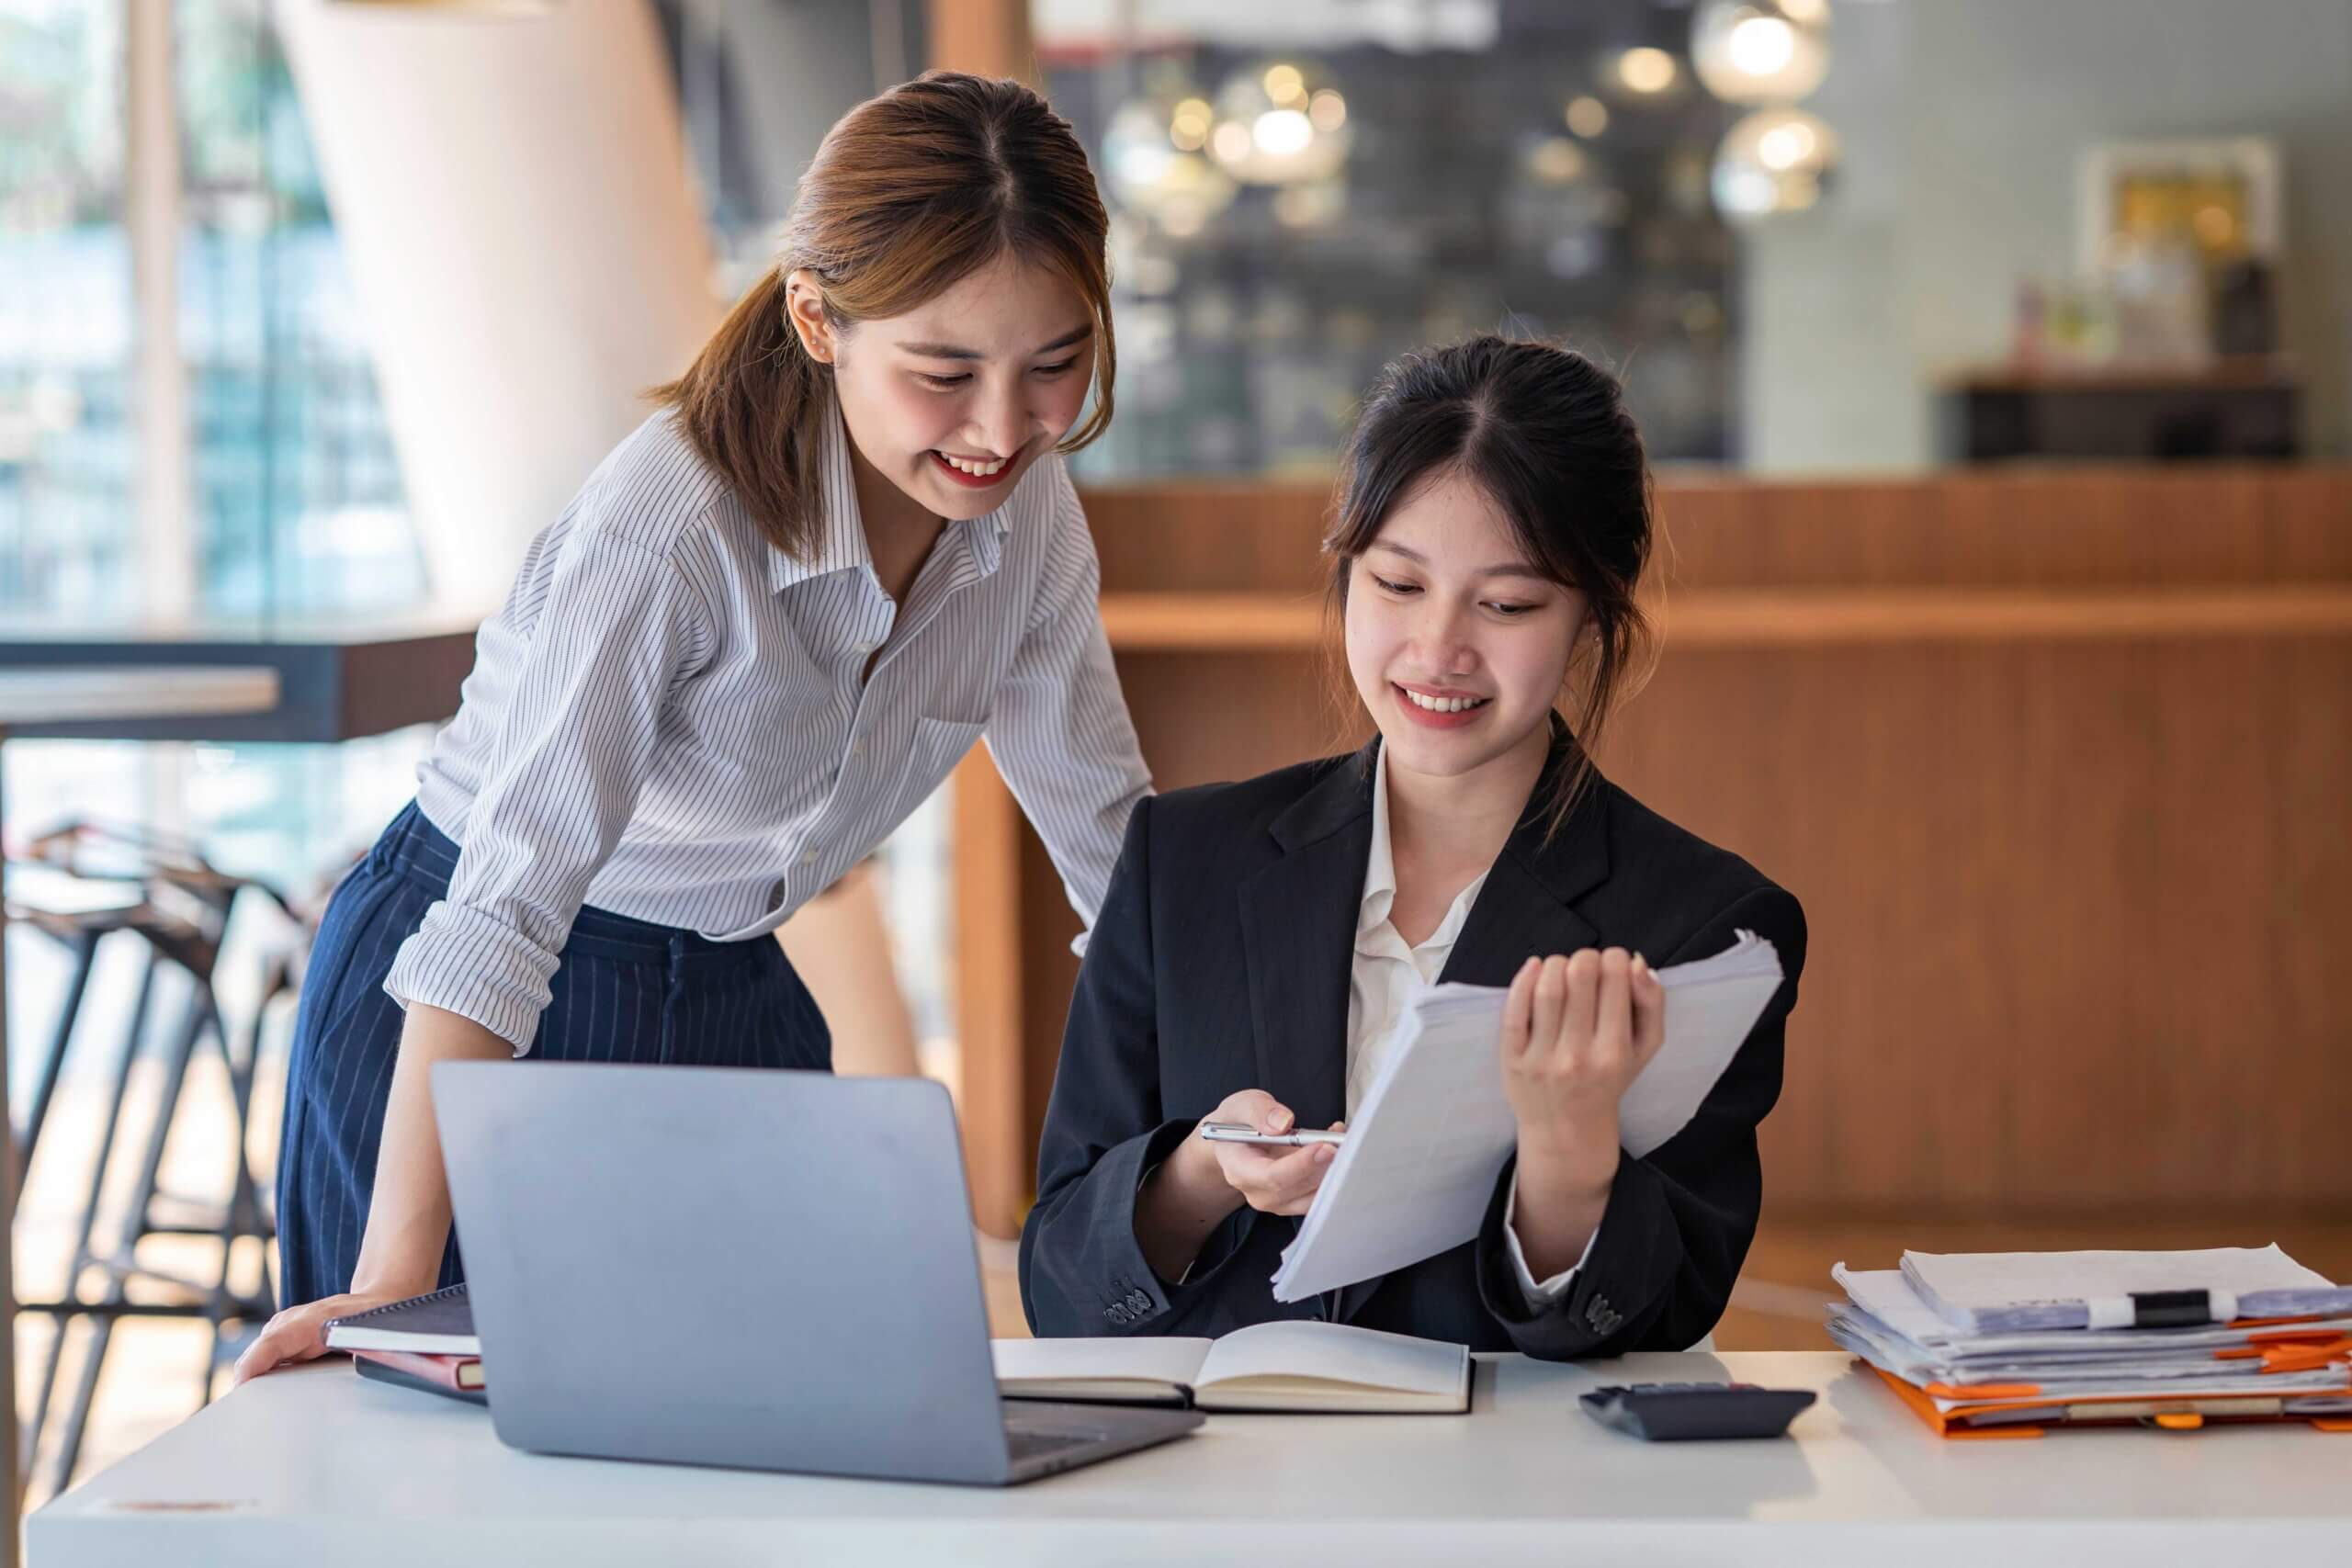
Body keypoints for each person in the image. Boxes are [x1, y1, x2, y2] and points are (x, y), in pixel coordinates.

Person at [237, 72, 1149, 1381]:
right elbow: (504, 912)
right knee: (441, 1470)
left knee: (772, 1434)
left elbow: (1116, 849)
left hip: (726, 976)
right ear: (817, 317)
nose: (1003, 430)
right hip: (476, 990)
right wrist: (397, 1276)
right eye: (944, 372)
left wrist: (1233, 1100)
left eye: (1055, 364)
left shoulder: (1029, 520)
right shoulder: (672, 526)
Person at [1019, 336, 1805, 1359]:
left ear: (1592, 618)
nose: (1438, 651)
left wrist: (1569, 1158)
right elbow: (1057, 1288)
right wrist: (1201, 1176)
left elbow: (1661, 1316)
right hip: (1218, 1492)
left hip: (1512, 1499)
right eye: (1396, 585)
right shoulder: (1184, 861)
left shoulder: (1703, 926)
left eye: (1508, 604)